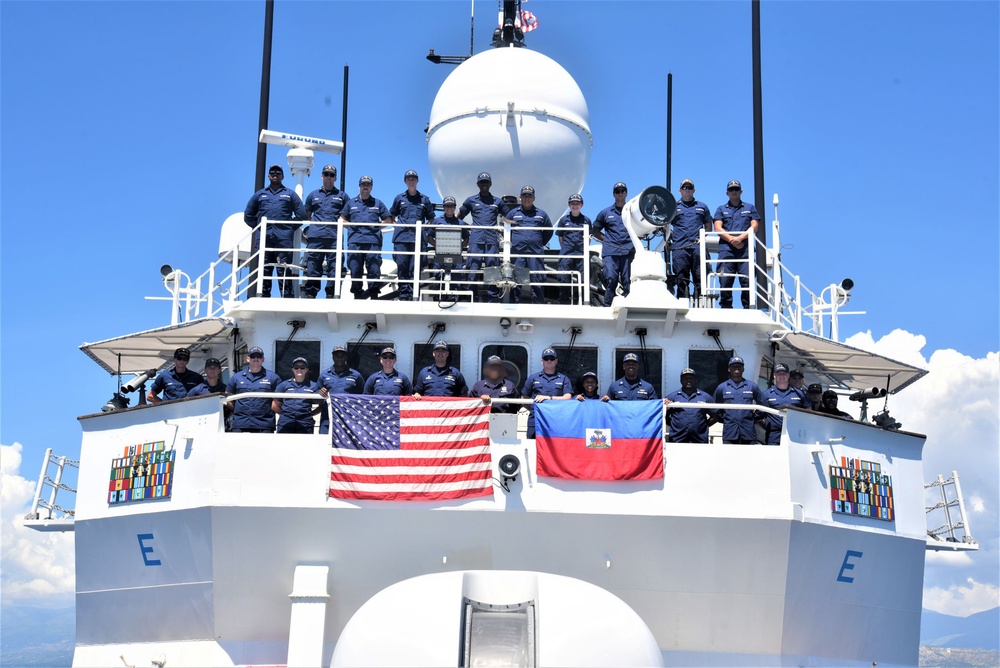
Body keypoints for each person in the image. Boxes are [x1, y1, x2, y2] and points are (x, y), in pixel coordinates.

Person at [244, 164, 306, 298]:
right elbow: (248, 216)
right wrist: (260, 226)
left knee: (283, 268)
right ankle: (264, 295)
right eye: (272, 172)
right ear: (268, 175)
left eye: (278, 173)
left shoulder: (290, 194)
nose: (275, 174)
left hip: (283, 239)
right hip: (264, 239)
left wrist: (288, 227)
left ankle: (286, 296)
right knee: (265, 268)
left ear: (282, 176)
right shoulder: (260, 194)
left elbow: (301, 215)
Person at [458, 172, 511, 302]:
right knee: (473, 268)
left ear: (490, 184)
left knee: (492, 269)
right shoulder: (471, 200)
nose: (484, 184)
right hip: (476, 239)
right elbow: (459, 218)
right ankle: (472, 298)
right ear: (478, 184)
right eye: (482, 182)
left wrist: (506, 224)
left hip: (492, 240)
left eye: (486, 182)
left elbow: (509, 216)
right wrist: (468, 228)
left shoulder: (497, 201)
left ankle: (492, 299)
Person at [340, 175, 392, 300]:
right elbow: (342, 219)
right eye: (363, 184)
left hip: (372, 241)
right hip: (355, 241)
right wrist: (352, 226)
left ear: (371, 187)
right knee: (354, 267)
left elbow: (388, 220)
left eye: (368, 184)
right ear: (359, 186)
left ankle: (373, 292)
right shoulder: (351, 203)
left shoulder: (378, 203)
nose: (365, 186)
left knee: (374, 267)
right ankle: (357, 292)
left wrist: (376, 226)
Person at [713, 180, 761, 309]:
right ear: (727, 193)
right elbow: (717, 228)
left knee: (746, 280)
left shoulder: (749, 208)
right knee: (725, 279)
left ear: (741, 191)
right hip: (726, 250)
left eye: (736, 189)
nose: (734, 192)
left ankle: (748, 307)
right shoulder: (721, 209)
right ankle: (726, 307)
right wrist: (732, 240)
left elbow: (755, 225)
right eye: (731, 190)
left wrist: (740, 238)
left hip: (744, 250)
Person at [303, 165, 349, 299]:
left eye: (331, 175)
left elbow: (348, 215)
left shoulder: (342, 196)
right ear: (322, 176)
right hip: (316, 236)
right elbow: (307, 214)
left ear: (335, 178)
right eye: (326, 174)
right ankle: (311, 293)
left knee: (335, 266)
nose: (329, 177)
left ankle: (331, 293)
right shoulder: (313, 195)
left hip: (334, 237)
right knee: (312, 265)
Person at [389, 170, 435, 301]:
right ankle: (404, 295)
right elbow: (392, 215)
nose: (411, 181)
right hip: (402, 238)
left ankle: (414, 295)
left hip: (418, 239)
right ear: (405, 181)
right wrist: (395, 225)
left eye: (413, 178)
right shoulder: (399, 198)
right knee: (402, 266)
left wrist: (425, 229)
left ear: (417, 181)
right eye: (409, 179)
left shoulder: (424, 199)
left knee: (414, 268)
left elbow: (431, 217)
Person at [506, 185, 552, 304]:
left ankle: (538, 306)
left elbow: (549, 231)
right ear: (520, 197)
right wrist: (516, 241)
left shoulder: (541, 214)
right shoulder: (512, 213)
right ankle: (513, 307)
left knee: (537, 280)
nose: (527, 198)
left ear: (534, 198)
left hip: (535, 253)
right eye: (525, 196)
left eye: (530, 196)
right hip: (518, 253)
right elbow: (505, 230)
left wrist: (538, 243)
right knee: (516, 281)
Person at [669, 179, 713, 299]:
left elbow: (709, 226)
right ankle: (682, 306)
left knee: (700, 277)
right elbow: (665, 224)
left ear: (693, 190)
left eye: (689, 188)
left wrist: (701, 238)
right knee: (681, 278)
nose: (687, 190)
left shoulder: (702, 207)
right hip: (680, 248)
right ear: (680, 191)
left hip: (697, 247)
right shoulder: (673, 207)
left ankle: (700, 305)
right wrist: (673, 236)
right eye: (684, 188)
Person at [592, 182, 634, 306]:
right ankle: (608, 305)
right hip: (611, 252)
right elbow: (595, 229)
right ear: (613, 194)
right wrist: (605, 239)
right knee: (610, 278)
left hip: (628, 251)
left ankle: (629, 306)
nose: (620, 193)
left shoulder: (632, 211)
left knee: (628, 281)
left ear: (626, 193)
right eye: (617, 191)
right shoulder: (605, 212)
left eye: (622, 191)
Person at [225, 346, 282, 433]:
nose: (255, 359)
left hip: (264, 424)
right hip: (241, 423)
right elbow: (227, 398)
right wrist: (238, 410)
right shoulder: (236, 378)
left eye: (258, 356)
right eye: (253, 356)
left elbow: (280, 399)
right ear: (248, 359)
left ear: (263, 359)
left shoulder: (273, 378)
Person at [521, 347, 573, 438]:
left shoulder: (563, 379)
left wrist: (549, 398)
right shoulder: (533, 378)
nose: (549, 361)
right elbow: (524, 397)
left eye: (552, 359)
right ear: (542, 361)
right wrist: (535, 408)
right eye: (546, 359)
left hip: (556, 419)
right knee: (533, 445)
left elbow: (568, 397)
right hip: (536, 419)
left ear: (556, 361)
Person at [713, 355, 764, 444]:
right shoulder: (722, 387)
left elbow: (763, 405)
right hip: (729, 431)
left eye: (739, 366)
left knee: (749, 456)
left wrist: (753, 418)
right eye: (734, 366)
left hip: (748, 431)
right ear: (729, 369)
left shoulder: (752, 386)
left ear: (743, 369)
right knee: (729, 457)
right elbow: (715, 408)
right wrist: (725, 418)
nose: (737, 368)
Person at [426, 196, 469, 295]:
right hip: (440, 256)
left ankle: (455, 299)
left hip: (456, 257)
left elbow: (467, 238)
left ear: (455, 207)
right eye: (447, 206)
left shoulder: (460, 223)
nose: (449, 208)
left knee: (456, 280)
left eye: (451, 206)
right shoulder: (437, 221)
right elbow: (428, 236)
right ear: (444, 207)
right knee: (438, 279)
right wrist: (438, 245)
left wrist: (459, 247)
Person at [317, 344, 364, 433]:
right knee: (324, 441)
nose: (339, 358)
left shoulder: (356, 375)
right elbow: (316, 393)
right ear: (333, 357)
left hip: (349, 416)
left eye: (342, 355)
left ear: (346, 357)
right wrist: (320, 392)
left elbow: (363, 395)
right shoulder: (324, 374)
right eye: (337, 355)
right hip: (328, 415)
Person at [759, 363, 808, 444]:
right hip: (773, 435)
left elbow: (808, 410)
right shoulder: (766, 394)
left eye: (784, 374)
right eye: (779, 374)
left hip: (795, 433)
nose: (782, 376)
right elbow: (759, 416)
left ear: (788, 375)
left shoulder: (799, 394)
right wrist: (768, 426)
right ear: (774, 375)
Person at [556, 193, 590, 304]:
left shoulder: (586, 220)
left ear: (582, 205)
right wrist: (566, 248)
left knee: (584, 279)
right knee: (564, 278)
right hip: (567, 252)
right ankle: (564, 303)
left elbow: (588, 238)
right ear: (569, 205)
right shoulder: (563, 220)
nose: (575, 206)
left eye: (577, 204)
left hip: (581, 253)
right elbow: (560, 237)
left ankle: (584, 302)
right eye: (572, 204)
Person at [272, 357, 322, 434]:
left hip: (305, 422)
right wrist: (285, 415)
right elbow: (274, 405)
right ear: (292, 369)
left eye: (302, 367)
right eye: (296, 367)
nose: (299, 369)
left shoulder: (314, 386)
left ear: (306, 370)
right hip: (285, 423)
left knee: (304, 445)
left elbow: (322, 405)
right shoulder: (283, 385)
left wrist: (311, 414)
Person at [664, 368, 715, 443]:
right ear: (681, 381)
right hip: (677, 438)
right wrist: (675, 425)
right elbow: (664, 416)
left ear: (695, 380)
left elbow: (715, 416)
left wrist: (703, 425)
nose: (688, 380)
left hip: (699, 439)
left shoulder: (705, 397)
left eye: (691, 378)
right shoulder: (672, 397)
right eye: (685, 378)